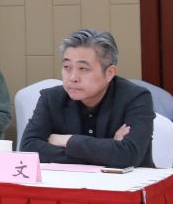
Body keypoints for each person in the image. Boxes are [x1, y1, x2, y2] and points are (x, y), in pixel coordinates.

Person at [21, 29, 155, 168]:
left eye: (83, 69)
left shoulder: (136, 98)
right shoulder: (51, 99)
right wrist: (106, 152)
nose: (73, 77)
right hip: (69, 180)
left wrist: (67, 140)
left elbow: (128, 156)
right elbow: (28, 148)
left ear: (110, 73)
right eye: (67, 67)